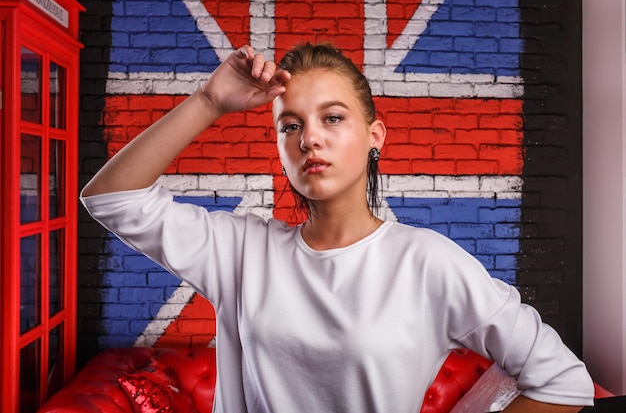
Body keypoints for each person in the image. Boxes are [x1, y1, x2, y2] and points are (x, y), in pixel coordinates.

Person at [81, 43, 596, 412]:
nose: (309, 139)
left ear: (375, 136)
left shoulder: (426, 262)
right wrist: (209, 102)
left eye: (332, 118)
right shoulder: (240, 251)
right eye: (291, 125)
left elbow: (563, 380)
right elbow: (111, 198)